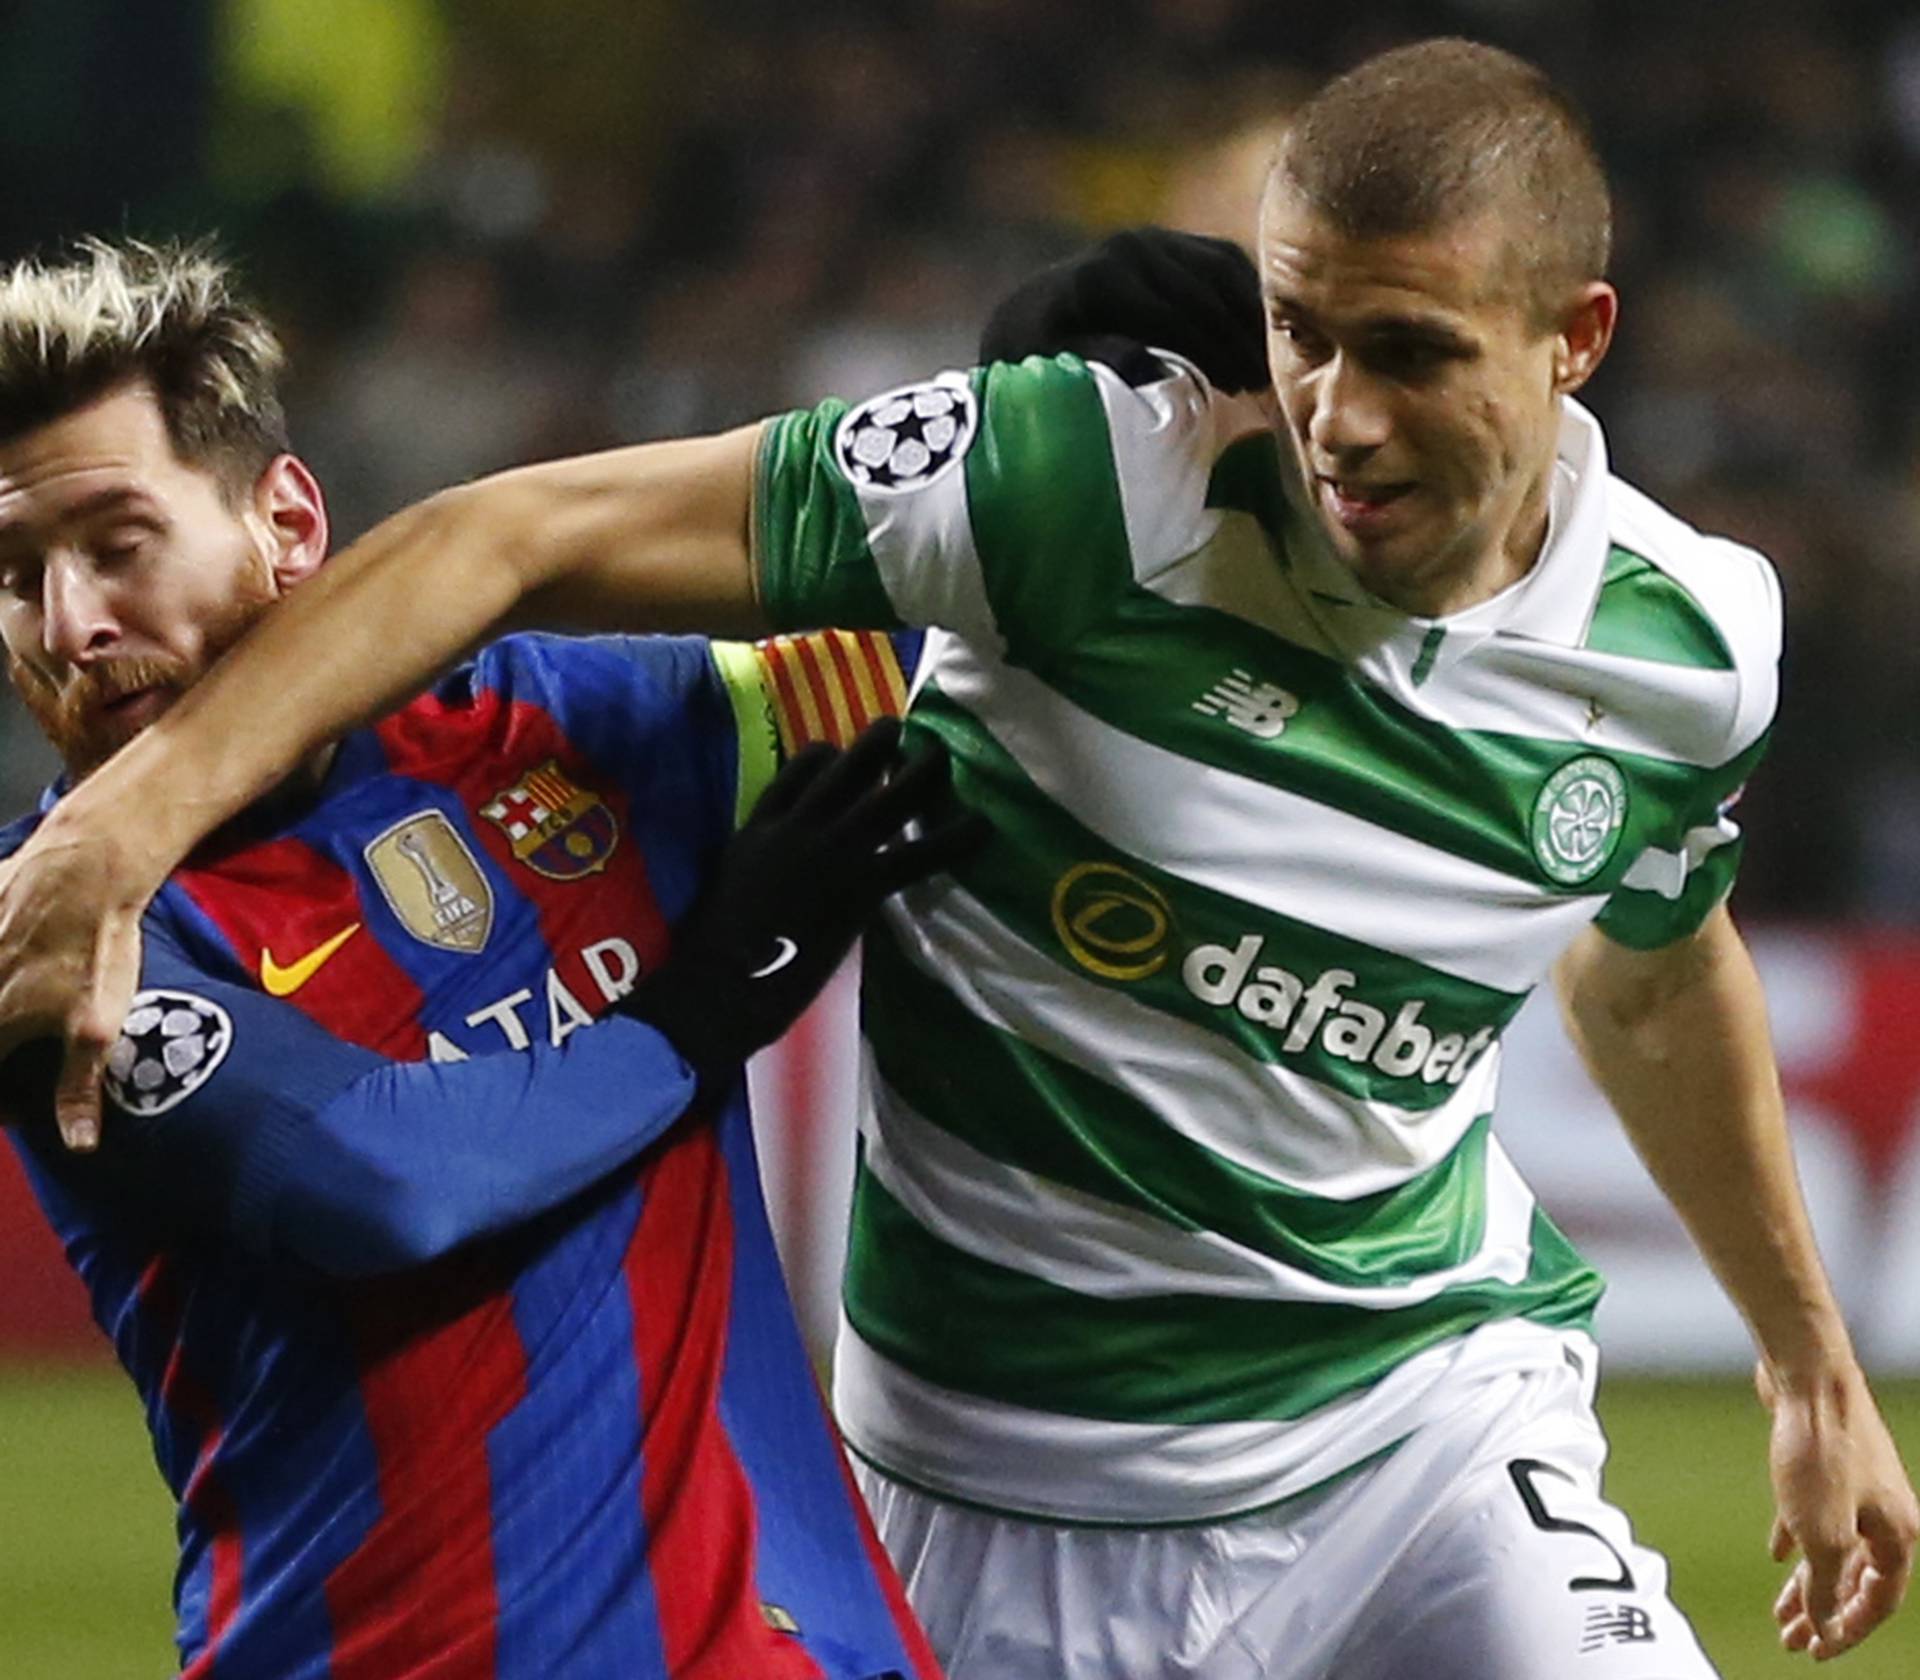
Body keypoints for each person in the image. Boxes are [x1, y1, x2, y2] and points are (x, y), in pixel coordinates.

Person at [2, 37, 1915, 1679]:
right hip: (991, 1488)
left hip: (1420, 1413)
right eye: (1298, 332)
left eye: (1407, 351)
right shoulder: (1064, 490)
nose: (1335, 413)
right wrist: (123, 829)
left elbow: (1655, 968)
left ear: (1575, 342)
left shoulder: (1691, 644)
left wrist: (1810, 1359)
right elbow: (512, 547)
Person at [0, 237, 968, 1679]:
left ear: (288, 521)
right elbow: (380, 1181)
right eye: (18, 578)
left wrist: (1065, 428)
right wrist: (692, 1018)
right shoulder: (59, 939)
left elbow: (946, 672)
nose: (72, 622)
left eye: (117, 545)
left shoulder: (548, 730)